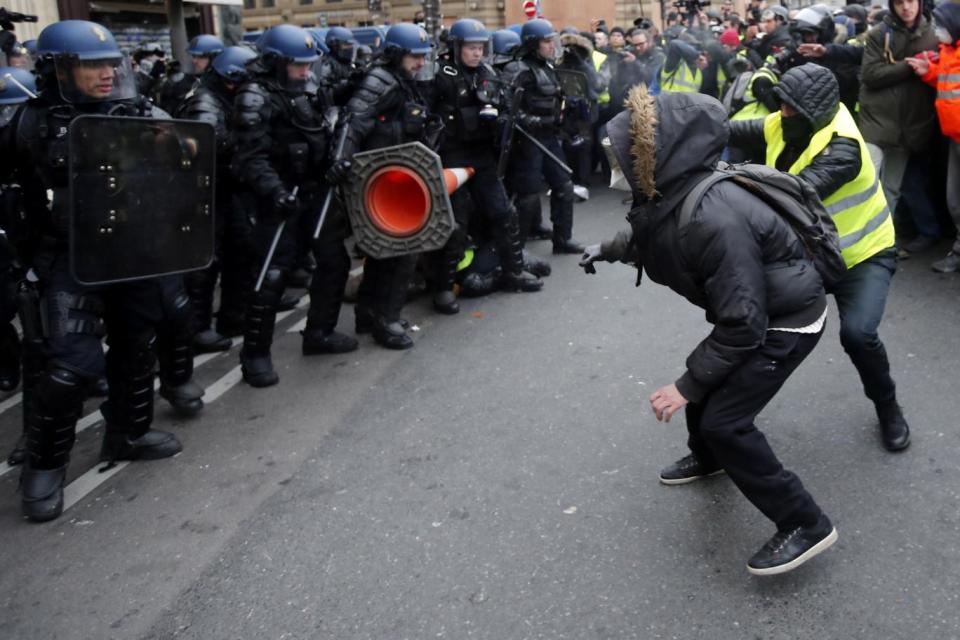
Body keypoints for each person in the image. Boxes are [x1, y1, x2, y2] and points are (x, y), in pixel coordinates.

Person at [581, 86, 837, 576]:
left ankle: (805, 522)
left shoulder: (712, 216)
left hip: (788, 322)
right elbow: (652, 230)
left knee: (725, 419)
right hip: (757, 313)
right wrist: (609, 247)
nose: (619, 163)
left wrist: (682, 387)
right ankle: (709, 458)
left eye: (628, 155)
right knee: (709, 384)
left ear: (658, 155)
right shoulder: (680, 187)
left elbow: (744, 323)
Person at [7, 20, 184, 521]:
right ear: (60, 68)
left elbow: (191, 157)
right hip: (64, 260)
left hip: (129, 251)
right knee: (72, 368)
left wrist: (173, 144)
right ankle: (42, 469)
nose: (107, 73)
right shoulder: (27, 124)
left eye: (110, 63)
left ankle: (126, 433)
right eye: (92, 64)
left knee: (136, 345)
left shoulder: (135, 110)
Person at [728, 64, 911, 452]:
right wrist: (682, 123)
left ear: (812, 110)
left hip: (863, 255)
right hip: (811, 255)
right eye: (781, 105)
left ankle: (887, 406)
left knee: (858, 335)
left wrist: (728, 180)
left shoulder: (842, 147)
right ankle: (724, 429)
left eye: (790, 108)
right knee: (749, 328)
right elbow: (731, 128)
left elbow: (792, 195)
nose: (782, 114)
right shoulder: (786, 122)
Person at [233, 25, 356, 387]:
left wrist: (333, 163)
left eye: (308, 65)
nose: (306, 72)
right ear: (275, 63)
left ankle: (319, 333)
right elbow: (250, 156)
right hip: (280, 198)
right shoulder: (255, 96)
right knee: (272, 275)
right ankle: (255, 354)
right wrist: (274, 191)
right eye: (297, 66)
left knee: (334, 261)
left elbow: (323, 131)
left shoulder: (308, 89)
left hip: (315, 190)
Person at [326, 23, 438, 350]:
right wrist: (341, 157)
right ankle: (385, 319)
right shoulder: (380, 81)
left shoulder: (406, 81)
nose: (420, 62)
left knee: (384, 251)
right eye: (413, 56)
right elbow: (353, 120)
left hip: (396, 174)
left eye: (422, 56)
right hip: (376, 178)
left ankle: (369, 314)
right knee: (400, 250)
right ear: (395, 55)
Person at [425, 19, 542, 315]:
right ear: (456, 48)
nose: (477, 53)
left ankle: (513, 273)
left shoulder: (487, 73)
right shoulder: (440, 75)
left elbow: (504, 108)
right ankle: (443, 288)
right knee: (456, 224)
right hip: (452, 157)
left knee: (504, 213)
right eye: (471, 48)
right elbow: (424, 112)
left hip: (482, 156)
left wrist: (501, 119)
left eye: (480, 48)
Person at [178, 45, 259, 354]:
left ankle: (233, 314)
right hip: (205, 189)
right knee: (204, 261)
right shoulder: (205, 100)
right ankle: (196, 329)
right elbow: (209, 141)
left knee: (243, 247)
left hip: (229, 187)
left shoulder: (228, 97)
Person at [859, 0, 939, 254]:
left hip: (914, 123)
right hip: (879, 121)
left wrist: (928, 67)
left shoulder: (934, 32)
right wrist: (908, 65)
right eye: (899, 2)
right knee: (872, 183)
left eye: (911, 1)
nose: (906, 7)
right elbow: (870, 74)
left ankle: (883, 242)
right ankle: (873, 242)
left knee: (897, 186)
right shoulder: (879, 33)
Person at [510, 18, 584, 254]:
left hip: (550, 137)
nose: (552, 46)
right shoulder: (519, 70)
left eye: (553, 41)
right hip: (530, 140)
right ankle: (517, 251)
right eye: (546, 42)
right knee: (529, 196)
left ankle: (562, 240)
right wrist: (534, 121)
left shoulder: (548, 67)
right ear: (533, 44)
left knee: (564, 186)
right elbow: (510, 108)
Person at [910, 0, 960, 273]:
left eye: (941, 25)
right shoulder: (950, 51)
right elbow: (946, 81)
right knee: (954, 201)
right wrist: (927, 71)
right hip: (954, 138)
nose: (937, 30)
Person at [156, 34, 224, 114]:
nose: (195, 61)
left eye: (201, 57)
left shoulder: (224, 83)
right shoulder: (187, 82)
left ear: (214, 58)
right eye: (194, 56)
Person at [316, 27, 362, 107]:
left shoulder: (348, 63)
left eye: (351, 45)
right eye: (346, 45)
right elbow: (322, 90)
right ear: (334, 45)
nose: (350, 48)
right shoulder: (327, 64)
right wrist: (347, 84)